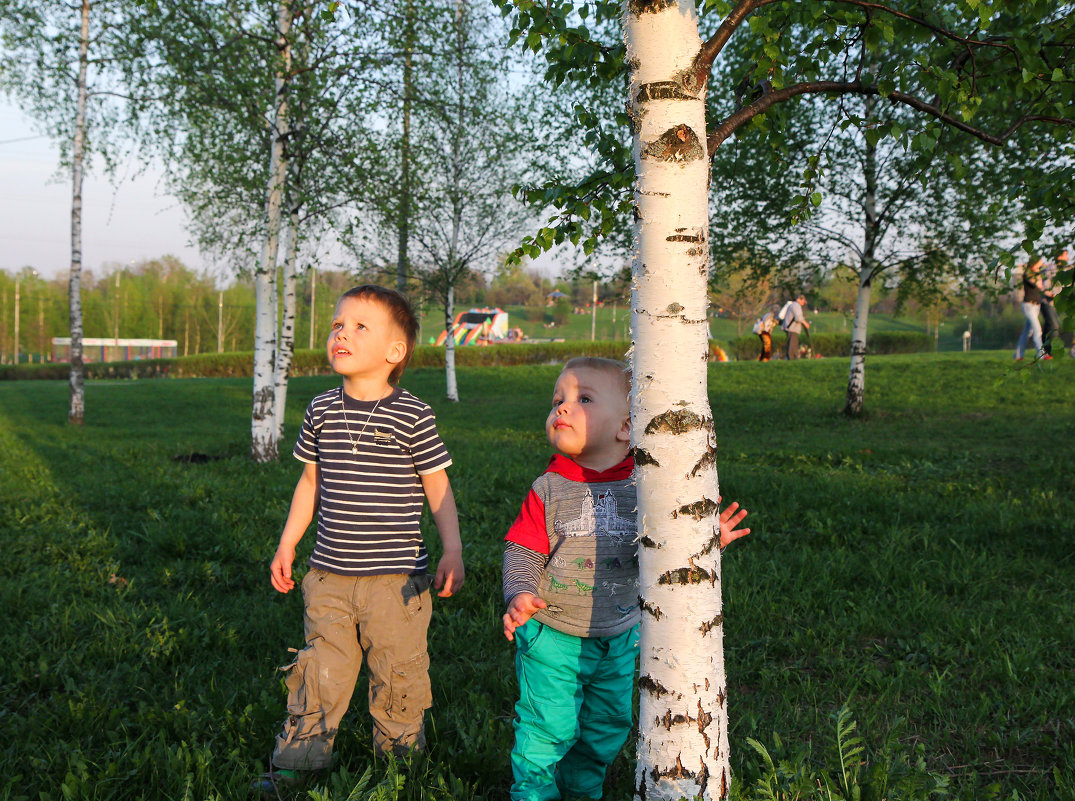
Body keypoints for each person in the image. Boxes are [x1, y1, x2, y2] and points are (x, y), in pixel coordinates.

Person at [500, 357, 750, 801]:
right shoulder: (549, 488)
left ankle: (582, 788)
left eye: (583, 399)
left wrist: (707, 541)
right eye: (558, 399)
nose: (561, 407)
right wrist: (520, 592)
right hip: (553, 632)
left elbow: (669, 544)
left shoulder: (647, 488)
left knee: (606, 726)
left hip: (619, 636)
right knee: (548, 726)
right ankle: (533, 791)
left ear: (625, 428)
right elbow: (522, 549)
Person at [254, 285, 464, 795]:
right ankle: (299, 762)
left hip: (397, 583)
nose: (342, 333)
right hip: (328, 575)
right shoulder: (322, 408)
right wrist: (288, 545)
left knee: (398, 672)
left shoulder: (413, 414)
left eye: (359, 326)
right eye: (337, 325)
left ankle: (399, 765)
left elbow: (437, 485)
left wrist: (453, 549)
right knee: (320, 670)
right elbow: (310, 483)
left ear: (394, 352)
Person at [1014, 260, 1045, 361]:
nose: (1040, 266)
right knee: (1037, 330)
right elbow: (1038, 284)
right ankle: (1041, 354)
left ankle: (1018, 355)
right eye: (1038, 264)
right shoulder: (1028, 274)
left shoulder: (1037, 274)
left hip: (1036, 306)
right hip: (1028, 305)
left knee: (1027, 332)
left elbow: (1041, 286)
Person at [782, 294, 810, 360]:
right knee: (793, 344)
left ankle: (793, 357)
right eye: (803, 301)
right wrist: (805, 323)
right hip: (792, 328)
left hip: (790, 328)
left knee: (793, 343)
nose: (803, 303)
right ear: (798, 299)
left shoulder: (793, 305)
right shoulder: (796, 305)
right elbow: (798, 318)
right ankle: (792, 358)